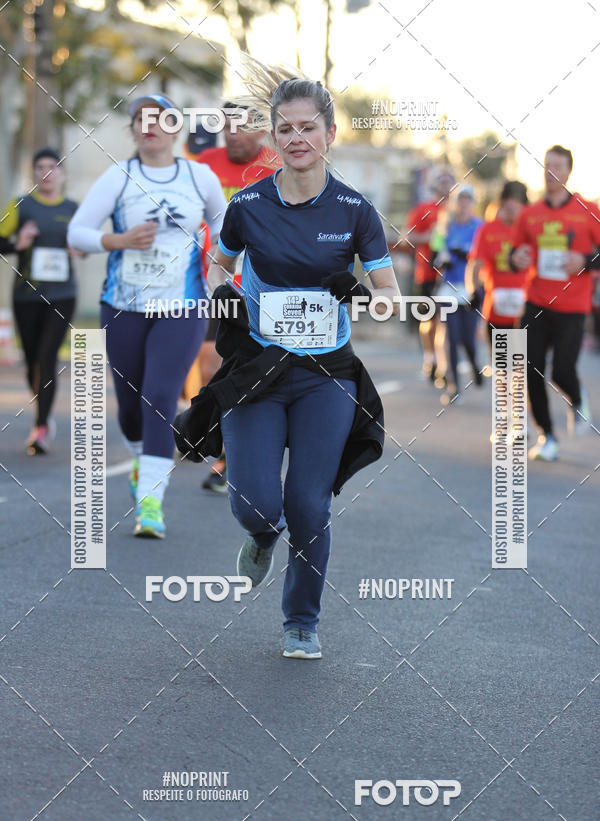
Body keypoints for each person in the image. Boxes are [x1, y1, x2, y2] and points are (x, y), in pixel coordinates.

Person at [175, 59, 399, 660]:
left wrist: (365, 297)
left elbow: (389, 297)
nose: (297, 139)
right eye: (285, 129)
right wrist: (224, 292)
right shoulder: (247, 206)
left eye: (308, 127)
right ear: (273, 137)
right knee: (255, 502)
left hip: (326, 375)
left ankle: (301, 620)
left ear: (329, 134)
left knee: (308, 502)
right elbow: (219, 261)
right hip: (258, 370)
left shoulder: (355, 212)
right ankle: (258, 537)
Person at [68, 94, 227, 536]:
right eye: (140, 119)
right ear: (133, 130)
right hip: (123, 305)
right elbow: (78, 232)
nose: (149, 126)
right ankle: (144, 465)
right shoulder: (118, 177)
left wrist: (220, 259)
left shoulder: (199, 176)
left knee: (159, 397)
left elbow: (227, 225)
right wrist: (118, 242)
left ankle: (151, 505)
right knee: (130, 407)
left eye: (159, 119)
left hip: (182, 306)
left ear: (176, 129)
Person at [184, 102, 280, 493]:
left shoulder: (276, 164)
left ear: (260, 130)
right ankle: (223, 444)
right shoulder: (205, 161)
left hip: (262, 285)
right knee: (209, 368)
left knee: (250, 371)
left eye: (240, 127)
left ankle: (230, 457)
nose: (231, 134)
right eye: (226, 126)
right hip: (217, 279)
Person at [510, 145, 600, 461]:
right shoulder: (530, 214)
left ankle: (577, 396)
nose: (551, 172)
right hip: (536, 303)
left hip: (573, 307)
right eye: (547, 166)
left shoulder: (588, 210)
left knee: (562, 371)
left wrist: (586, 260)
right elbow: (514, 254)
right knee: (530, 368)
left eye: (558, 167)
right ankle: (548, 436)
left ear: (568, 171)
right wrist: (515, 257)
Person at [0, 147, 81, 454]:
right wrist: (16, 243)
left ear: (61, 173)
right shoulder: (21, 205)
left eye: (52, 166)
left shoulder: (74, 208)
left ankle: (42, 426)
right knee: (32, 361)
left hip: (62, 296)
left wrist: (80, 250)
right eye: (40, 167)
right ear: (34, 173)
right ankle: (42, 414)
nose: (46, 172)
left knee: (47, 358)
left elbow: (87, 242)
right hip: (26, 295)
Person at [402, 169, 455, 381]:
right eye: (441, 180)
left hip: (452, 276)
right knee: (429, 320)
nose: (444, 185)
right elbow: (406, 237)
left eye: (448, 180)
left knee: (446, 322)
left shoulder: (459, 210)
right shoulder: (423, 209)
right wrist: (428, 236)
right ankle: (430, 356)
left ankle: (444, 363)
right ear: (434, 185)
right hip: (426, 273)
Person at [430, 184, 482, 402]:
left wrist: (466, 256)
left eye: (467, 198)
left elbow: (484, 256)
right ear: (454, 201)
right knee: (451, 336)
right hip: (449, 288)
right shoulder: (444, 225)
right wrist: (444, 258)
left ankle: (474, 365)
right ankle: (453, 386)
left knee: (468, 340)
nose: (463, 202)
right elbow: (436, 253)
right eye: (460, 198)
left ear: (472, 202)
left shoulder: (480, 226)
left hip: (471, 288)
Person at [466, 181, 529, 348]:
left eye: (517, 208)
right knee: (502, 365)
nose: (512, 213)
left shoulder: (531, 229)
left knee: (522, 366)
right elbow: (475, 263)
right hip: (496, 309)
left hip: (527, 308)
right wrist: (472, 290)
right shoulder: (488, 230)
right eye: (508, 208)